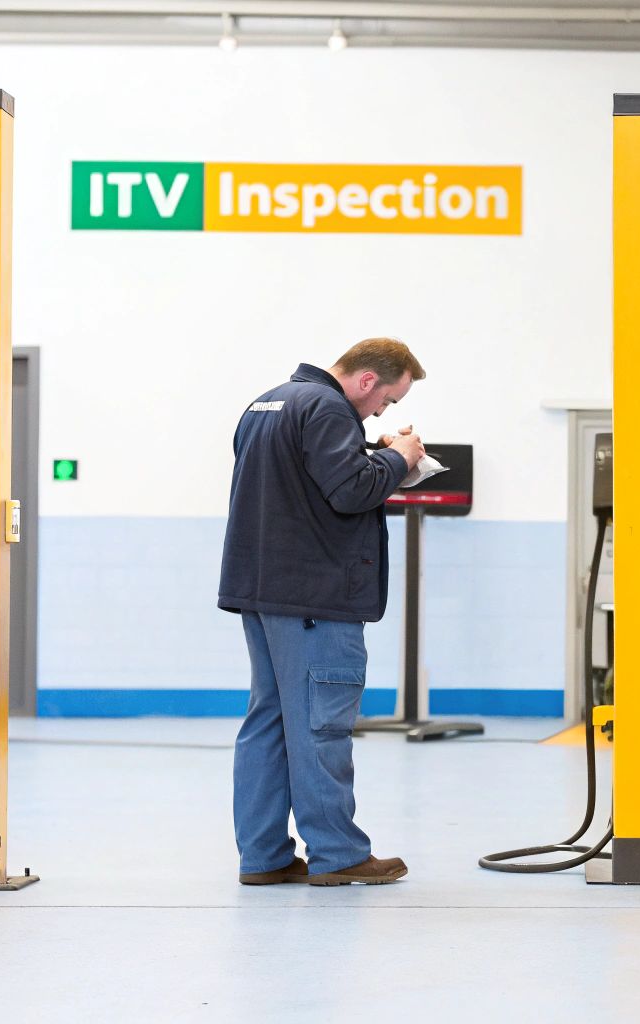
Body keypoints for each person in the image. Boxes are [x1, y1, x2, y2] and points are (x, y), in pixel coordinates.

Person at [219, 338, 427, 886]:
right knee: (320, 725)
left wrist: (368, 451)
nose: (384, 411)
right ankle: (338, 853)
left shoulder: (268, 403)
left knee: (268, 723)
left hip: (263, 592)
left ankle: (263, 856)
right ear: (366, 381)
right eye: (387, 401)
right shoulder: (330, 408)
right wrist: (398, 459)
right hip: (314, 599)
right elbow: (350, 492)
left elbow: (303, 485)